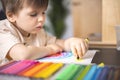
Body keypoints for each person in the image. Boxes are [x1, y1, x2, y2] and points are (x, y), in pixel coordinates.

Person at [0, 0, 88, 65]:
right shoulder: (3, 30)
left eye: (43, 12)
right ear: (11, 16)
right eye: (33, 14)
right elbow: (23, 54)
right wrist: (49, 50)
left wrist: (72, 42)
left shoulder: (38, 32)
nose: (42, 18)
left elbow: (60, 44)